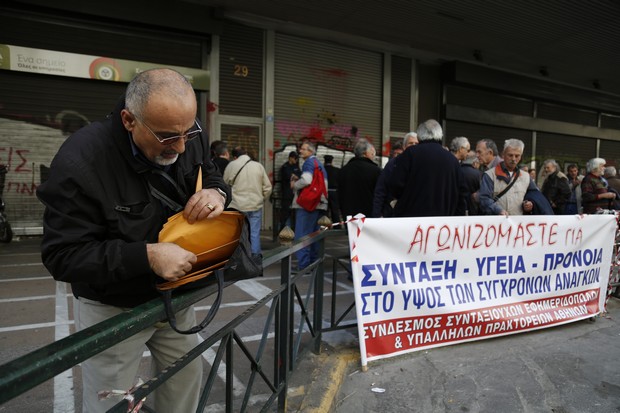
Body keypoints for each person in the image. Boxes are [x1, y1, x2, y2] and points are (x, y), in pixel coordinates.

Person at [37, 68, 231, 413]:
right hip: (113, 308)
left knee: (184, 389)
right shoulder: (79, 160)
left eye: (190, 131)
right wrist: (147, 256)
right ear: (129, 120)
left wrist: (218, 192)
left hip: (178, 296)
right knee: (110, 404)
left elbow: (210, 172)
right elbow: (62, 255)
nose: (183, 146)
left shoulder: (186, 133)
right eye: (169, 137)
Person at [388, 120, 466, 217]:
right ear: (440, 135)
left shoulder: (410, 154)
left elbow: (395, 185)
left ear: (419, 136)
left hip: (412, 222)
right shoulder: (453, 161)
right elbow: (461, 194)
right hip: (442, 223)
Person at [223, 146, 272, 256]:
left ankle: (240, 260)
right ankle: (255, 259)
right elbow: (267, 187)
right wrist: (261, 198)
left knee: (238, 234)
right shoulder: (258, 166)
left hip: (237, 206)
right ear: (246, 153)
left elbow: (224, 185)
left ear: (235, 156)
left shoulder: (231, 165)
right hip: (255, 205)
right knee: (254, 233)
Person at [291, 140, 328, 270]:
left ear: (311, 151)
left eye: (303, 149)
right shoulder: (319, 164)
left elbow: (307, 179)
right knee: (313, 235)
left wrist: (295, 185)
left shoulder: (309, 163)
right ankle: (313, 263)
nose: (300, 150)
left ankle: (303, 265)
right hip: (318, 203)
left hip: (307, 204)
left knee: (302, 235)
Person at [479, 139, 540, 215]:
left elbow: (535, 196)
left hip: (517, 224)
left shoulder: (526, 177)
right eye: (510, 155)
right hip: (496, 224)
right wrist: (498, 210)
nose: (514, 159)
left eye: (517, 156)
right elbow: (484, 199)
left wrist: (530, 203)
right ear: (503, 155)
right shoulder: (490, 175)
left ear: (521, 156)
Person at [372, 132, 418, 217]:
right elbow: (381, 190)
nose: (414, 146)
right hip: (393, 215)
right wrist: (377, 215)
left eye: (416, 143)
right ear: (404, 147)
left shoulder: (422, 165)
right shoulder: (393, 164)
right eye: (411, 143)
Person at [338, 139, 381, 218]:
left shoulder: (343, 170)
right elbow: (380, 194)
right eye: (372, 153)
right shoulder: (376, 171)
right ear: (365, 153)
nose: (373, 156)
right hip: (369, 217)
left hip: (349, 217)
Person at [279, 151, 301, 230]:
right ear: (290, 158)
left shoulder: (296, 166)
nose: (296, 160)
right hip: (287, 193)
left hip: (295, 193)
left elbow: (300, 176)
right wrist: (293, 176)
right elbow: (288, 176)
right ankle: (282, 228)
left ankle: (294, 229)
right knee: (285, 211)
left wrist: (294, 176)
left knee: (295, 212)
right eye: (295, 158)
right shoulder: (285, 166)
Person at [323, 154, 342, 224]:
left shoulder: (321, 170)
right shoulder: (337, 170)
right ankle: (336, 226)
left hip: (324, 193)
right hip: (334, 192)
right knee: (335, 211)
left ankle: (324, 226)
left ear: (324, 161)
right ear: (332, 161)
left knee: (324, 211)